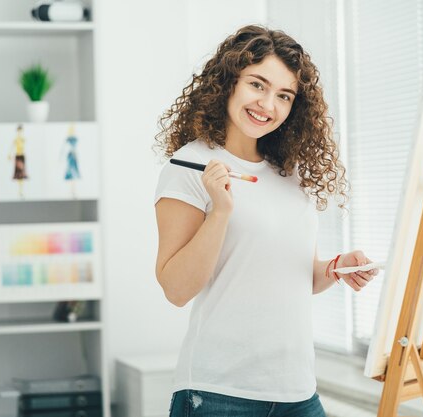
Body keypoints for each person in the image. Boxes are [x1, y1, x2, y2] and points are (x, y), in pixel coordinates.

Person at [154, 25, 378, 417]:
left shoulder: (290, 174)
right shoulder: (189, 164)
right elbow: (175, 288)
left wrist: (335, 268)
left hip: (297, 391)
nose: (268, 104)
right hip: (218, 394)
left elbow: (296, 278)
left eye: (284, 95)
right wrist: (220, 212)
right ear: (228, 83)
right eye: (257, 85)